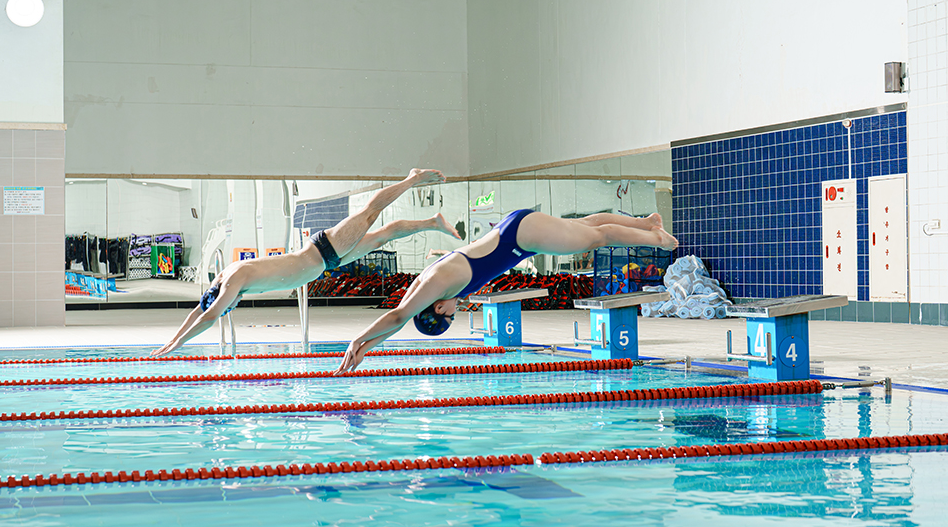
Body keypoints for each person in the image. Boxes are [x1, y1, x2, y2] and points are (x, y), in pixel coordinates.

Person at [151, 169, 456, 357]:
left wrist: (178, 344)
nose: (231, 306)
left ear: (222, 296)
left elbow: (208, 316)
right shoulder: (225, 280)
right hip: (327, 261)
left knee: (369, 213)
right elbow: (200, 310)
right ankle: (432, 222)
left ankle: (413, 178)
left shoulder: (233, 280)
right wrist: (173, 338)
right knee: (382, 236)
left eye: (228, 305)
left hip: (324, 250)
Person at [335, 209, 678, 373]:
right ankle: (646, 223)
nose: (457, 310)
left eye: (451, 315)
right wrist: (367, 349)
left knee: (595, 238)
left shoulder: (439, 285)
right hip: (516, 230)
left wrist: (356, 341)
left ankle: (656, 239)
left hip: (521, 238)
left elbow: (399, 316)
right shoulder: (428, 280)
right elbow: (401, 317)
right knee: (586, 225)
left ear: (437, 308)